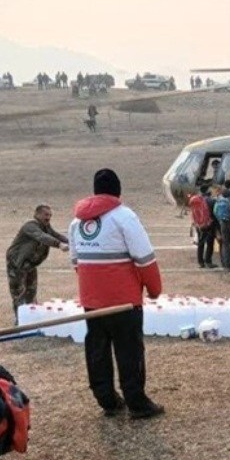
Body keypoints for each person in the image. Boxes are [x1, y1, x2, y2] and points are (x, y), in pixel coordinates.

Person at [68, 169, 165, 419]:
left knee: (97, 350)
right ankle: (137, 403)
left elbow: (77, 262)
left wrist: (94, 291)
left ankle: (107, 400)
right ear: (118, 190)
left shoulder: (76, 223)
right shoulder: (124, 216)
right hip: (123, 302)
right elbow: (144, 258)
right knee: (129, 351)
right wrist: (154, 290)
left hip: (92, 302)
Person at [5, 204, 69, 316]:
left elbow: (55, 235)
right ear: (37, 214)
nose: (48, 217)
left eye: (50, 215)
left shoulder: (46, 226)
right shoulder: (30, 226)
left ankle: (31, 318)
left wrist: (71, 241)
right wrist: (59, 245)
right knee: (19, 294)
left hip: (30, 264)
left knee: (31, 291)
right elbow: (42, 237)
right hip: (17, 264)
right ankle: (20, 320)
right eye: (46, 214)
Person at [189, 185, 217, 268]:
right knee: (210, 243)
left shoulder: (196, 200)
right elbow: (214, 213)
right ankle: (208, 261)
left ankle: (200, 262)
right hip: (209, 225)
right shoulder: (211, 201)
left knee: (200, 244)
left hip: (199, 226)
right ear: (208, 191)